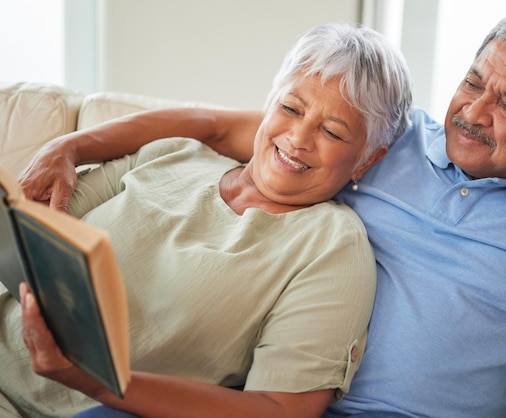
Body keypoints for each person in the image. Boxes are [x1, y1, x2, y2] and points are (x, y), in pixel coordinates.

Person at [14, 5, 506, 418]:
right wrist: (71, 145)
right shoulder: (388, 139)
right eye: (473, 82)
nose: (473, 111)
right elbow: (221, 126)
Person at [0, 22, 413, 418]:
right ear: (268, 104)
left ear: (367, 160)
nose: (298, 139)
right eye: (291, 108)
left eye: (333, 133)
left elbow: (283, 409)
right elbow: (31, 230)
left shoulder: (333, 248)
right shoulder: (174, 153)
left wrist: (96, 381)